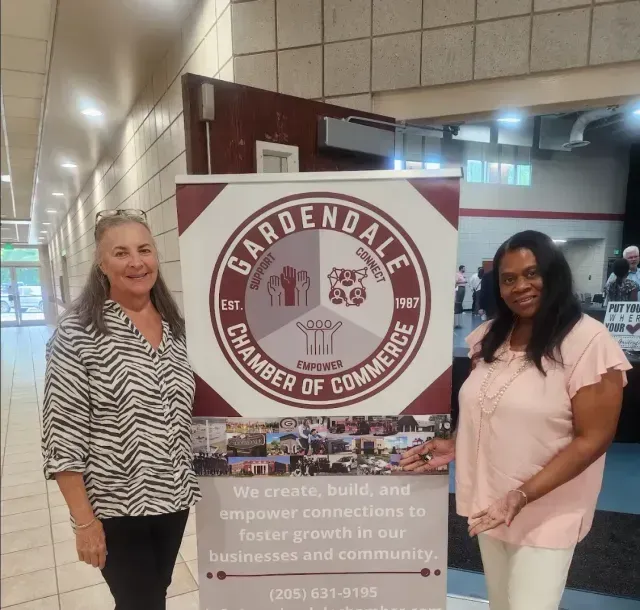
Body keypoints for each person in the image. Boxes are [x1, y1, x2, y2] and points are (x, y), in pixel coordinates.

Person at [400, 231, 630, 610]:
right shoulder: (491, 336)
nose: (520, 286)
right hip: (493, 502)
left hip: (545, 509)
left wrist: (521, 495)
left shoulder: (589, 342)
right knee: (501, 603)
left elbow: (594, 439)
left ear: (554, 275)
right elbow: (484, 404)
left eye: (532, 273)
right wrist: (454, 442)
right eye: (509, 278)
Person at [42, 210, 201, 610]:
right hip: (115, 505)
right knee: (140, 602)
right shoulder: (78, 331)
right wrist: (84, 521)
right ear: (102, 263)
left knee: (153, 596)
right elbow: (61, 436)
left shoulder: (175, 326)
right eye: (121, 252)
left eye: (144, 250)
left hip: (173, 497)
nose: (136, 262)